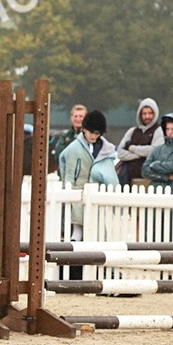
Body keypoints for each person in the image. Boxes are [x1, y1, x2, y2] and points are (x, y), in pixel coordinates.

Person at [59, 109, 119, 279]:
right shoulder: (73, 149)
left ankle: (100, 270)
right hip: (77, 196)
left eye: (97, 133)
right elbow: (68, 175)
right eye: (91, 132)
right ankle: (71, 269)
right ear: (84, 129)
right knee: (76, 233)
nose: (94, 136)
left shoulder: (106, 149)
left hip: (97, 197)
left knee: (98, 233)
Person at [114, 98, 164, 185]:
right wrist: (139, 155)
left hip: (148, 180)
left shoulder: (159, 130)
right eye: (144, 113)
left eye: (150, 113)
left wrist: (132, 148)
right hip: (128, 179)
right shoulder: (132, 131)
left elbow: (155, 150)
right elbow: (120, 153)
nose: (147, 116)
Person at [142, 112, 173, 189]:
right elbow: (145, 170)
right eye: (167, 129)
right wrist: (165, 177)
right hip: (155, 192)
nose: (170, 132)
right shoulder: (157, 149)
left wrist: (154, 165)